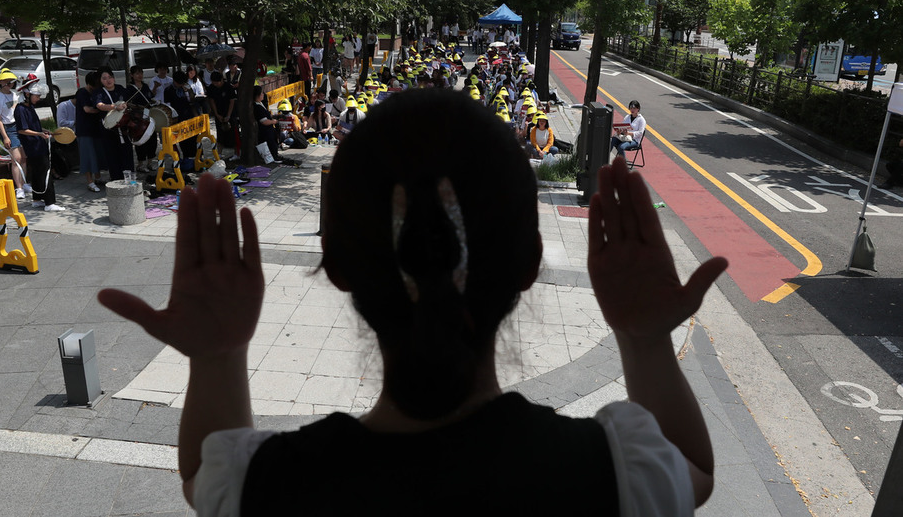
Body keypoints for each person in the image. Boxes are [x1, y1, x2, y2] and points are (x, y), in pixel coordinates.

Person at [98, 89, 722, 515]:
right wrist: (644, 339)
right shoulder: (613, 475)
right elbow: (691, 470)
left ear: (337, 268)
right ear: (532, 263)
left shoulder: (266, 486)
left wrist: (217, 356)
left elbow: (203, 476)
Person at [13, 80, 64, 211]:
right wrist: (39, 134)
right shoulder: (20, 109)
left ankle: (36, 200)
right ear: (27, 94)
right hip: (33, 146)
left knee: (36, 173)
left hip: (37, 144)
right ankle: (49, 203)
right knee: (45, 171)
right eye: (37, 96)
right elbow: (22, 129)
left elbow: (33, 126)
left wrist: (44, 130)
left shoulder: (29, 107)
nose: (39, 98)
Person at [0, 68, 28, 199]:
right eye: (6, 81)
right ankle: (19, 188)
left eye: (11, 81)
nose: (9, 84)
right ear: (0, 82)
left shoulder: (14, 95)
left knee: (23, 157)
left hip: (19, 126)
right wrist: (5, 136)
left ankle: (23, 183)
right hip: (8, 128)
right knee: (16, 158)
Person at [94, 66, 136, 181]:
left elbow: (129, 103)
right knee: (112, 155)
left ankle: (130, 180)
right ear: (100, 81)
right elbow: (100, 106)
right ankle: (116, 181)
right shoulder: (99, 92)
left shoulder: (121, 89)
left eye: (110, 77)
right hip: (108, 129)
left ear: (113, 78)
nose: (108, 80)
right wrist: (114, 107)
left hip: (123, 128)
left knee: (127, 154)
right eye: (104, 78)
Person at [76, 72, 107, 192]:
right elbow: (87, 109)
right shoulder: (82, 93)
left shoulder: (96, 92)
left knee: (97, 153)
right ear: (89, 84)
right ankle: (90, 181)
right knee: (87, 156)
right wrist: (101, 110)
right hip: (84, 130)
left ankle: (98, 177)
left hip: (96, 128)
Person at [127, 66, 157, 173]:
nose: (139, 75)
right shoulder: (130, 88)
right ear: (132, 75)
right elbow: (127, 103)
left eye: (141, 73)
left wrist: (152, 102)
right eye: (137, 74)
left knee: (152, 138)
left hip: (148, 115)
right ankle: (140, 164)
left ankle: (150, 162)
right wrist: (137, 106)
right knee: (140, 139)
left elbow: (149, 98)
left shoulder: (145, 86)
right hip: (137, 117)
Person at [207, 71, 238, 156]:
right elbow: (211, 101)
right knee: (220, 134)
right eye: (214, 83)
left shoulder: (228, 87)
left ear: (221, 80)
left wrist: (228, 115)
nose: (216, 85)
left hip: (230, 112)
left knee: (233, 134)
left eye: (217, 83)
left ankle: (236, 153)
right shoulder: (211, 88)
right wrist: (216, 114)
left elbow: (232, 101)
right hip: (219, 112)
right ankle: (219, 154)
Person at [252, 85, 280, 163]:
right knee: (270, 145)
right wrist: (273, 122)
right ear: (257, 95)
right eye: (261, 93)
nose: (263, 95)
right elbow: (264, 121)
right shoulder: (257, 107)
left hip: (269, 130)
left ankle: (275, 156)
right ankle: (273, 158)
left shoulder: (261, 104)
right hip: (265, 132)